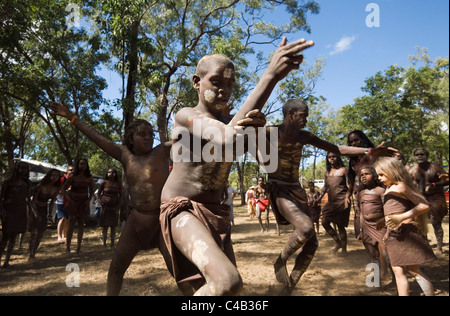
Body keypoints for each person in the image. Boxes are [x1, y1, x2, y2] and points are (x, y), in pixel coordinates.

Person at [159, 37, 315, 296]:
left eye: (230, 84)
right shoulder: (186, 116)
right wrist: (271, 76)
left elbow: (263, 159)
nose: (224, 90)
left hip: (216, 213)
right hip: (182, 210)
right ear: (197, 82)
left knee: (216, 290)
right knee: (227, 283)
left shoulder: (233, 122)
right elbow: (226, 137)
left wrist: (256, 133)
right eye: (216, 82)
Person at [258, 99, 398, 294]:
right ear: (290, 114)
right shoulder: (267, 132)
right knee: (306, 228)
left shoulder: (304, 136)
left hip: (296, 189)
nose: (306, 120)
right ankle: (280, 261)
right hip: (279, 188)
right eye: (302, 116)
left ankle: (288, 288)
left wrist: (370, 150)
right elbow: (240, 137)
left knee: (312, 243)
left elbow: (337, 149)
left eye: (307, 116)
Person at [50, 102, 175, 296]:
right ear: (130, 139)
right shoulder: (125, 155)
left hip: (161, 221)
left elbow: (190, 138)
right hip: (136, 220)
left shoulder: (162, 151)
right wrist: (72, 118)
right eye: (142, 134)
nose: (149, 137)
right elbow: (96, 137)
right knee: (116, 268)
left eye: (151, 133)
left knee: (178, 271)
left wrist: (222, 122)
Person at [374, 157, 436, 296]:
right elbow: (394, 210)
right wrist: (385, 223)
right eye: (378, 175)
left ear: (392, 171)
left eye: (382, 174)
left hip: (406, 234)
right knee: (398, 270)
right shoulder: (389, 189)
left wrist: (401, 217)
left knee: (413, 270)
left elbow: (424, 205)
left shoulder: (401, 186)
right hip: (394, 235)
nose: (379, 178)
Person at [408, 147, 449, 256]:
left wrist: (434, 184)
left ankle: (439, 248)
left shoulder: (435, 168)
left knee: (436, 223)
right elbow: (409, 185)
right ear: (414, 157)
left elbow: (446, 181)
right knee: (420, 224)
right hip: (420, 199)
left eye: (422, 154)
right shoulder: (412, 170)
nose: (419, 156)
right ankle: (424, 246)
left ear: (427, 155)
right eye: (417, 155)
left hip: (436, 198)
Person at [358, 165, 389, 282]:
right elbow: (361, 212)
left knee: (385, 255)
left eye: (367, 174)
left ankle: (392, 280)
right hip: (366, 227)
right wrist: (361, 230)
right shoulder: (361, 193)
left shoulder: (381, 191)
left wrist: (385, 223)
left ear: (375, 176)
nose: (364, 177)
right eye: (361, 175)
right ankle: (375, 283)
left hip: (380, 226)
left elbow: (387, 210)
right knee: (372, 255)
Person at [0, 161, 33, 268]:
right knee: (5, 237)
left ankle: (7, 261)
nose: (23, 170)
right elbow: (1, 198)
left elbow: (28, 199)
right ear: (16, 168)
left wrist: (31, 212)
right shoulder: (8, 182)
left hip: (20, 211)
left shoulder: (27, 183)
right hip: (9, 210)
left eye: (25, 168)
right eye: (21, 167)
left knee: (14, 236)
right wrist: (2, 211)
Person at [317, 153, 351, 255]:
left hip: (342, 201)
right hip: (331, 203)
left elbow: (351, 185)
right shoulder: (326, 172)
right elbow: (325, 186)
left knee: (340, 226)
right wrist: (319, 197)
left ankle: (344, 249)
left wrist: (347, 197)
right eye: (329, 157)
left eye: (334, 156)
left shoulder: (343, 170)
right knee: (324, 221)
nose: (332, 158)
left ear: (338, 157)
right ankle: (338, 242)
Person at [346, 130, 377, 240]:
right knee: (360, 219)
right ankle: (370, 251)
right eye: (351, 142)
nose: (354, 144)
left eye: (356, 140)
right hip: (358, 193)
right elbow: (352, 178)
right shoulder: (352, 159)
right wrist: (348, 194)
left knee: (372, 217)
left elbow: (377, 174)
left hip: (372, 193)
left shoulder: (370, 155)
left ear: (362, 140)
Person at [61, 158, 94, 255]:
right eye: (81, 164)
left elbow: (92, 190)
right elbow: (63, 189)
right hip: (73, 203)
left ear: (87, 166)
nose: (82, 165)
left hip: (83, 203)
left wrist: (89, 199)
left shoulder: (89, 178)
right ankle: (68, 248)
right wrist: (69, 199)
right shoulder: (72, 177)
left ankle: (79, 248)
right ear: (78, 165)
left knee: (81, 226)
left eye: (84, 164)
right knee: (71, 224)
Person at [29, 168, 61, 260]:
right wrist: (35, 214)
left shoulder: (56, 188)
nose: (54, 177)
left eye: (57, 176)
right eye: (53, 175)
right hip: (35, 208)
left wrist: (50, 214)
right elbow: (33, 201)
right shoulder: (40, 186)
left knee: (41, 233)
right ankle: (31, 253)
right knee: (34, 232)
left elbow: (51, 203)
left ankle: (34, 252)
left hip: (44, 209)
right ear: (49, 175)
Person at [97, 168, 122, 249]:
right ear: (107, 173)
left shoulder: (118, 184)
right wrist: (100, 201)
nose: (111, 173)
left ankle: (112, 244)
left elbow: (121, 195)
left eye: (113, 172)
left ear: (115, 174)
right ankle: (104, 244)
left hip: (114, 207)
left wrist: (119, 204)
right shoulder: (104, 183)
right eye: (109, 172)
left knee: (113, 226)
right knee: (105, 226)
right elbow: (98, 194)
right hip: (105, 207)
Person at [56, 165, 73, 243]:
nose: (72, 171)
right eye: (70, 170)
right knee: (62, 218)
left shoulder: (73, 180)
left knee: (67, 219)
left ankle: (64, 235)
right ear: (67, 171)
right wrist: (66, 191)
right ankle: (59, 236)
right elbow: (57, 191)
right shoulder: (63, 179)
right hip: (61, 201)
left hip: (69, 202)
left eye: (73, 170)